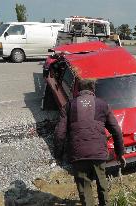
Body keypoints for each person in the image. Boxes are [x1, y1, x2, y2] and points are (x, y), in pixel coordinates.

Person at [54, 78, 126, 206]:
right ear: (93, 89)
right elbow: (116, 130)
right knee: (102, 185)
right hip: (98, 154)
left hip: (78, 154)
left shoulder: (69, 106)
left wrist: (58, 156)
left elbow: (59, 134)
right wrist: (120, 153)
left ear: (79, 90)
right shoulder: (103, 105)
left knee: (85, 190)